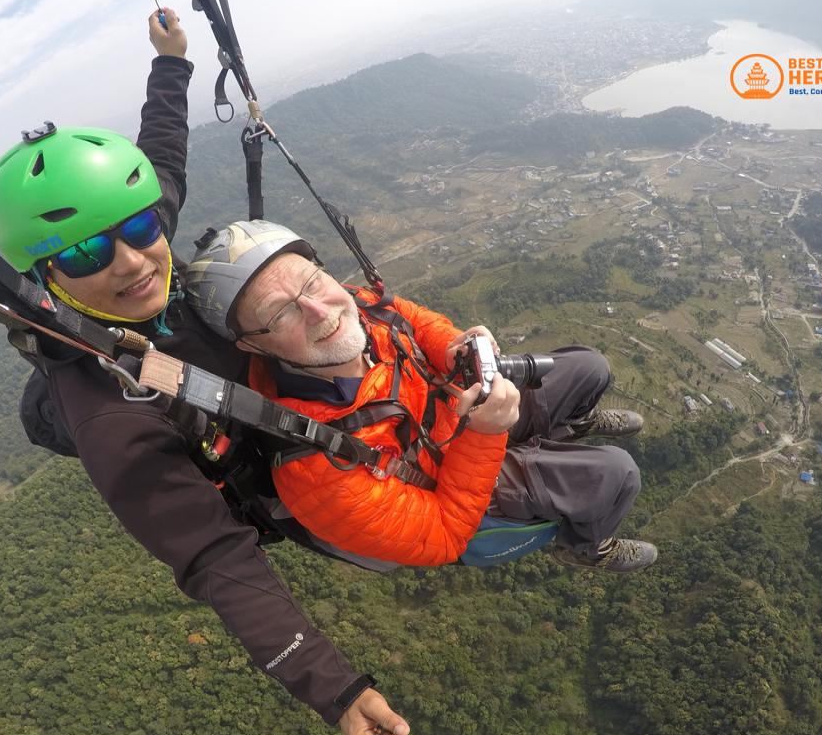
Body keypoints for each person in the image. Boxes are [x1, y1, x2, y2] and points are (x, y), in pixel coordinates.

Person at [0, 10, 409, 735]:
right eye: (83, 252)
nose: (132, 260)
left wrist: (170, 62)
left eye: (139, 227)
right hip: (214, 437)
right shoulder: (110, 412)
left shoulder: (140, 230)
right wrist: (334, 689)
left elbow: (162, 156)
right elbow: (211, 553)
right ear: (46, 273)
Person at [184, 220, 659, 570]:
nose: (317, 310)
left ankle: (566, 427)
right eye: (280, 312)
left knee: (591, 367)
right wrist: (486, 434)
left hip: (457, 413)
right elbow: (446, 537)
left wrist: (451, 344)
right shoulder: (314, 470)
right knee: (614, 474)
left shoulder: (350, 303)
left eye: (311, 281)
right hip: (451, 478)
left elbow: (407, 316)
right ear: (251, 344)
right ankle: (588, 547)